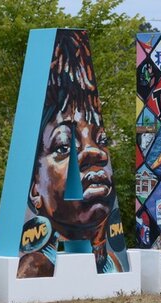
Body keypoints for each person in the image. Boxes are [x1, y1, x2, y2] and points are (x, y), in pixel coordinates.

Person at [17, 30, 129, 278]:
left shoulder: (113, 264)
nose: (94, 152)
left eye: (102, 140)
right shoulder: (34, 268)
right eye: (64, 146)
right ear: (34, 187)